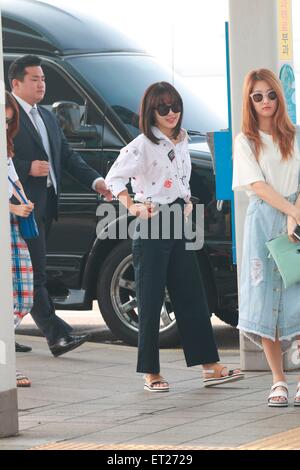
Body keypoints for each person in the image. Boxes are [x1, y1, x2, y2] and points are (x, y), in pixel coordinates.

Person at [105, 81, 244, 391]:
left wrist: (187, 205)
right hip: (152, 222)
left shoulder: (182, 140)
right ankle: (150, 373)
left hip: (179, 220)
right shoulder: (141, 145)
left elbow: (182, 179)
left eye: (175, 106)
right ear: (151, 112)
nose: (171, 113)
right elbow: (114, 178)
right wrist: (133, 206)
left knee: (192, 294)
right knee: (150, 298)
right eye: (163, 108)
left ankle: (210, 366)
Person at [8, 55, 112, 357]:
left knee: (21, 276)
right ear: (16, 83)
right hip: (20, 207)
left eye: (43, 79)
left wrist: (96, 182)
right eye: (35, 79)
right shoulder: (8, 115)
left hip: (47, 206)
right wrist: (28, 168)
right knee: (35, 274)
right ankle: (57, 336)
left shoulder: (47, 116)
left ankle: (6, 333)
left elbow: (67, 157)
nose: (42, 84)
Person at [232, 68, 300, 407]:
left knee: (297, 296)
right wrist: (291, 212)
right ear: (250, 101)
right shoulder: (245, 141)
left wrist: (295, 213)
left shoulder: (296, 135)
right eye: (258, 96)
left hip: (295, 220)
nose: (266, 101)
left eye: (271, 94)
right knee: (264, 298)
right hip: (263, 222)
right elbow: (256, 185)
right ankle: (278, 379)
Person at [6, 90, 34, 387]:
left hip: (13, 229)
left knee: (23, 297)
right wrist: (12, 206)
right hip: (8, 225)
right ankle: (5, 367)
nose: (4, 126)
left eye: (8, 121)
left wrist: (21, 204)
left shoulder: (6, 149)